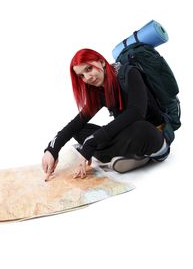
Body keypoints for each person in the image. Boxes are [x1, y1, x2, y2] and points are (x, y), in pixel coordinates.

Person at [42, 48, 170, 180]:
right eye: (81, 76)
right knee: (80, 130)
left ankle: (114, 154)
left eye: (88, 69)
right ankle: (132, 155)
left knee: (141, 129)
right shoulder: (99, 90)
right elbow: (78, 122)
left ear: (102, 62)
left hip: (152, 134)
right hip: (126, 136)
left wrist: (92, 142)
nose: (87, 78)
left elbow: (137, 112)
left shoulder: (130, 73)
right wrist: (52, 149)